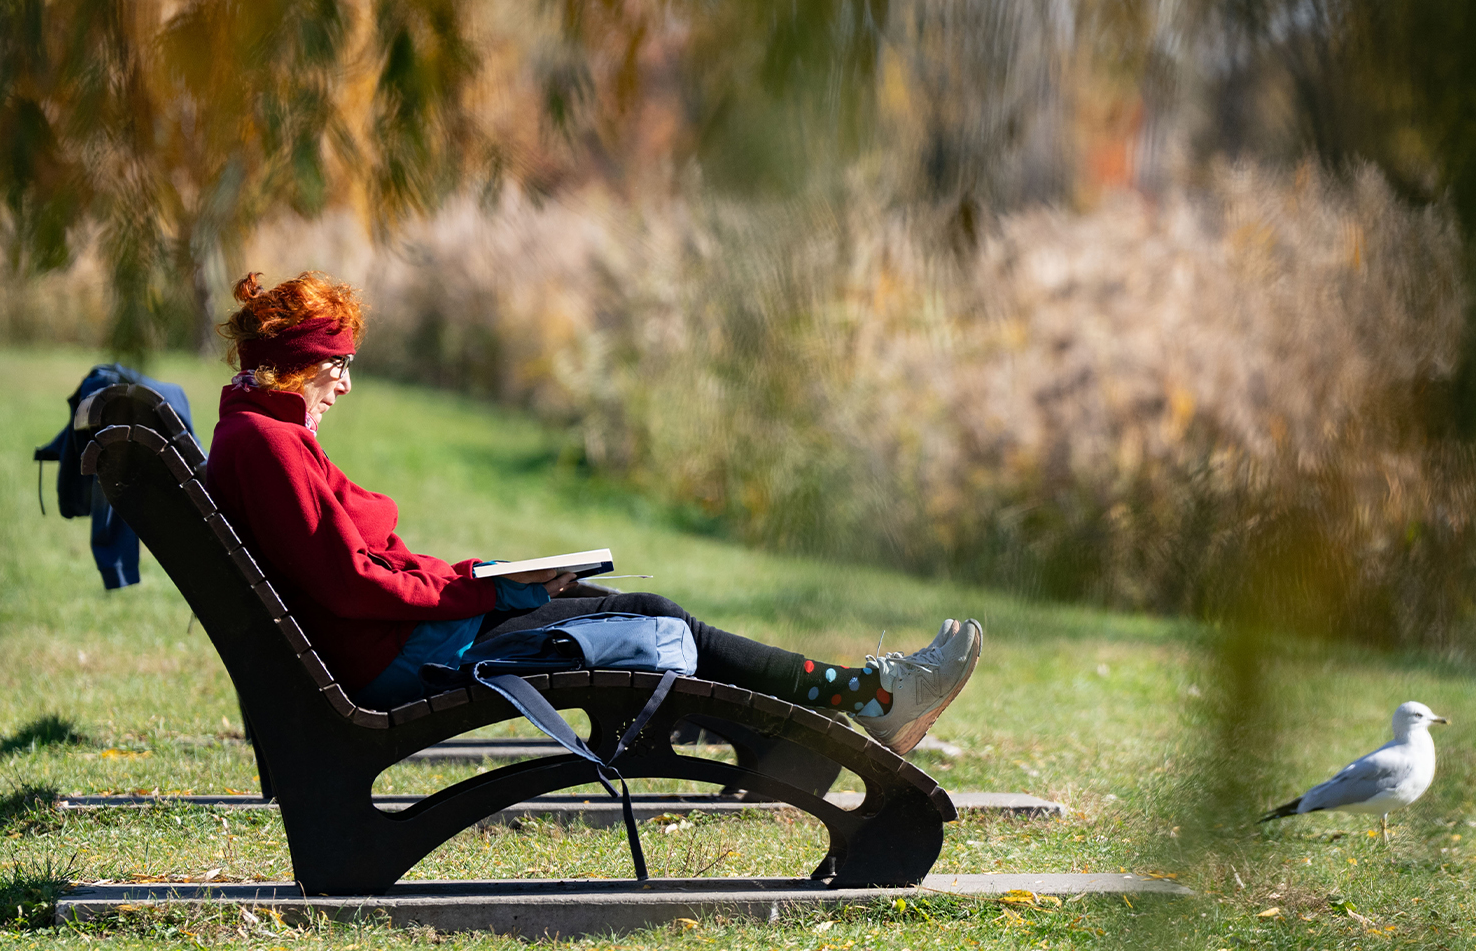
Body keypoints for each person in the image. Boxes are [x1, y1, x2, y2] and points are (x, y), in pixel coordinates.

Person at [204, 271, 980, 755]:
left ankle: (848, 705)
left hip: (400, 641)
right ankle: (870, 697)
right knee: (654, 620)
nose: (344, 383)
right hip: (397, 660)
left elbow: (363, 571)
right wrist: (488, 592)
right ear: (298, 360)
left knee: (623, 612)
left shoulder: (259, 434)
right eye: (337, 364)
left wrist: (486, 578)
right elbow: (353, 585)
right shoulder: (269, 446)